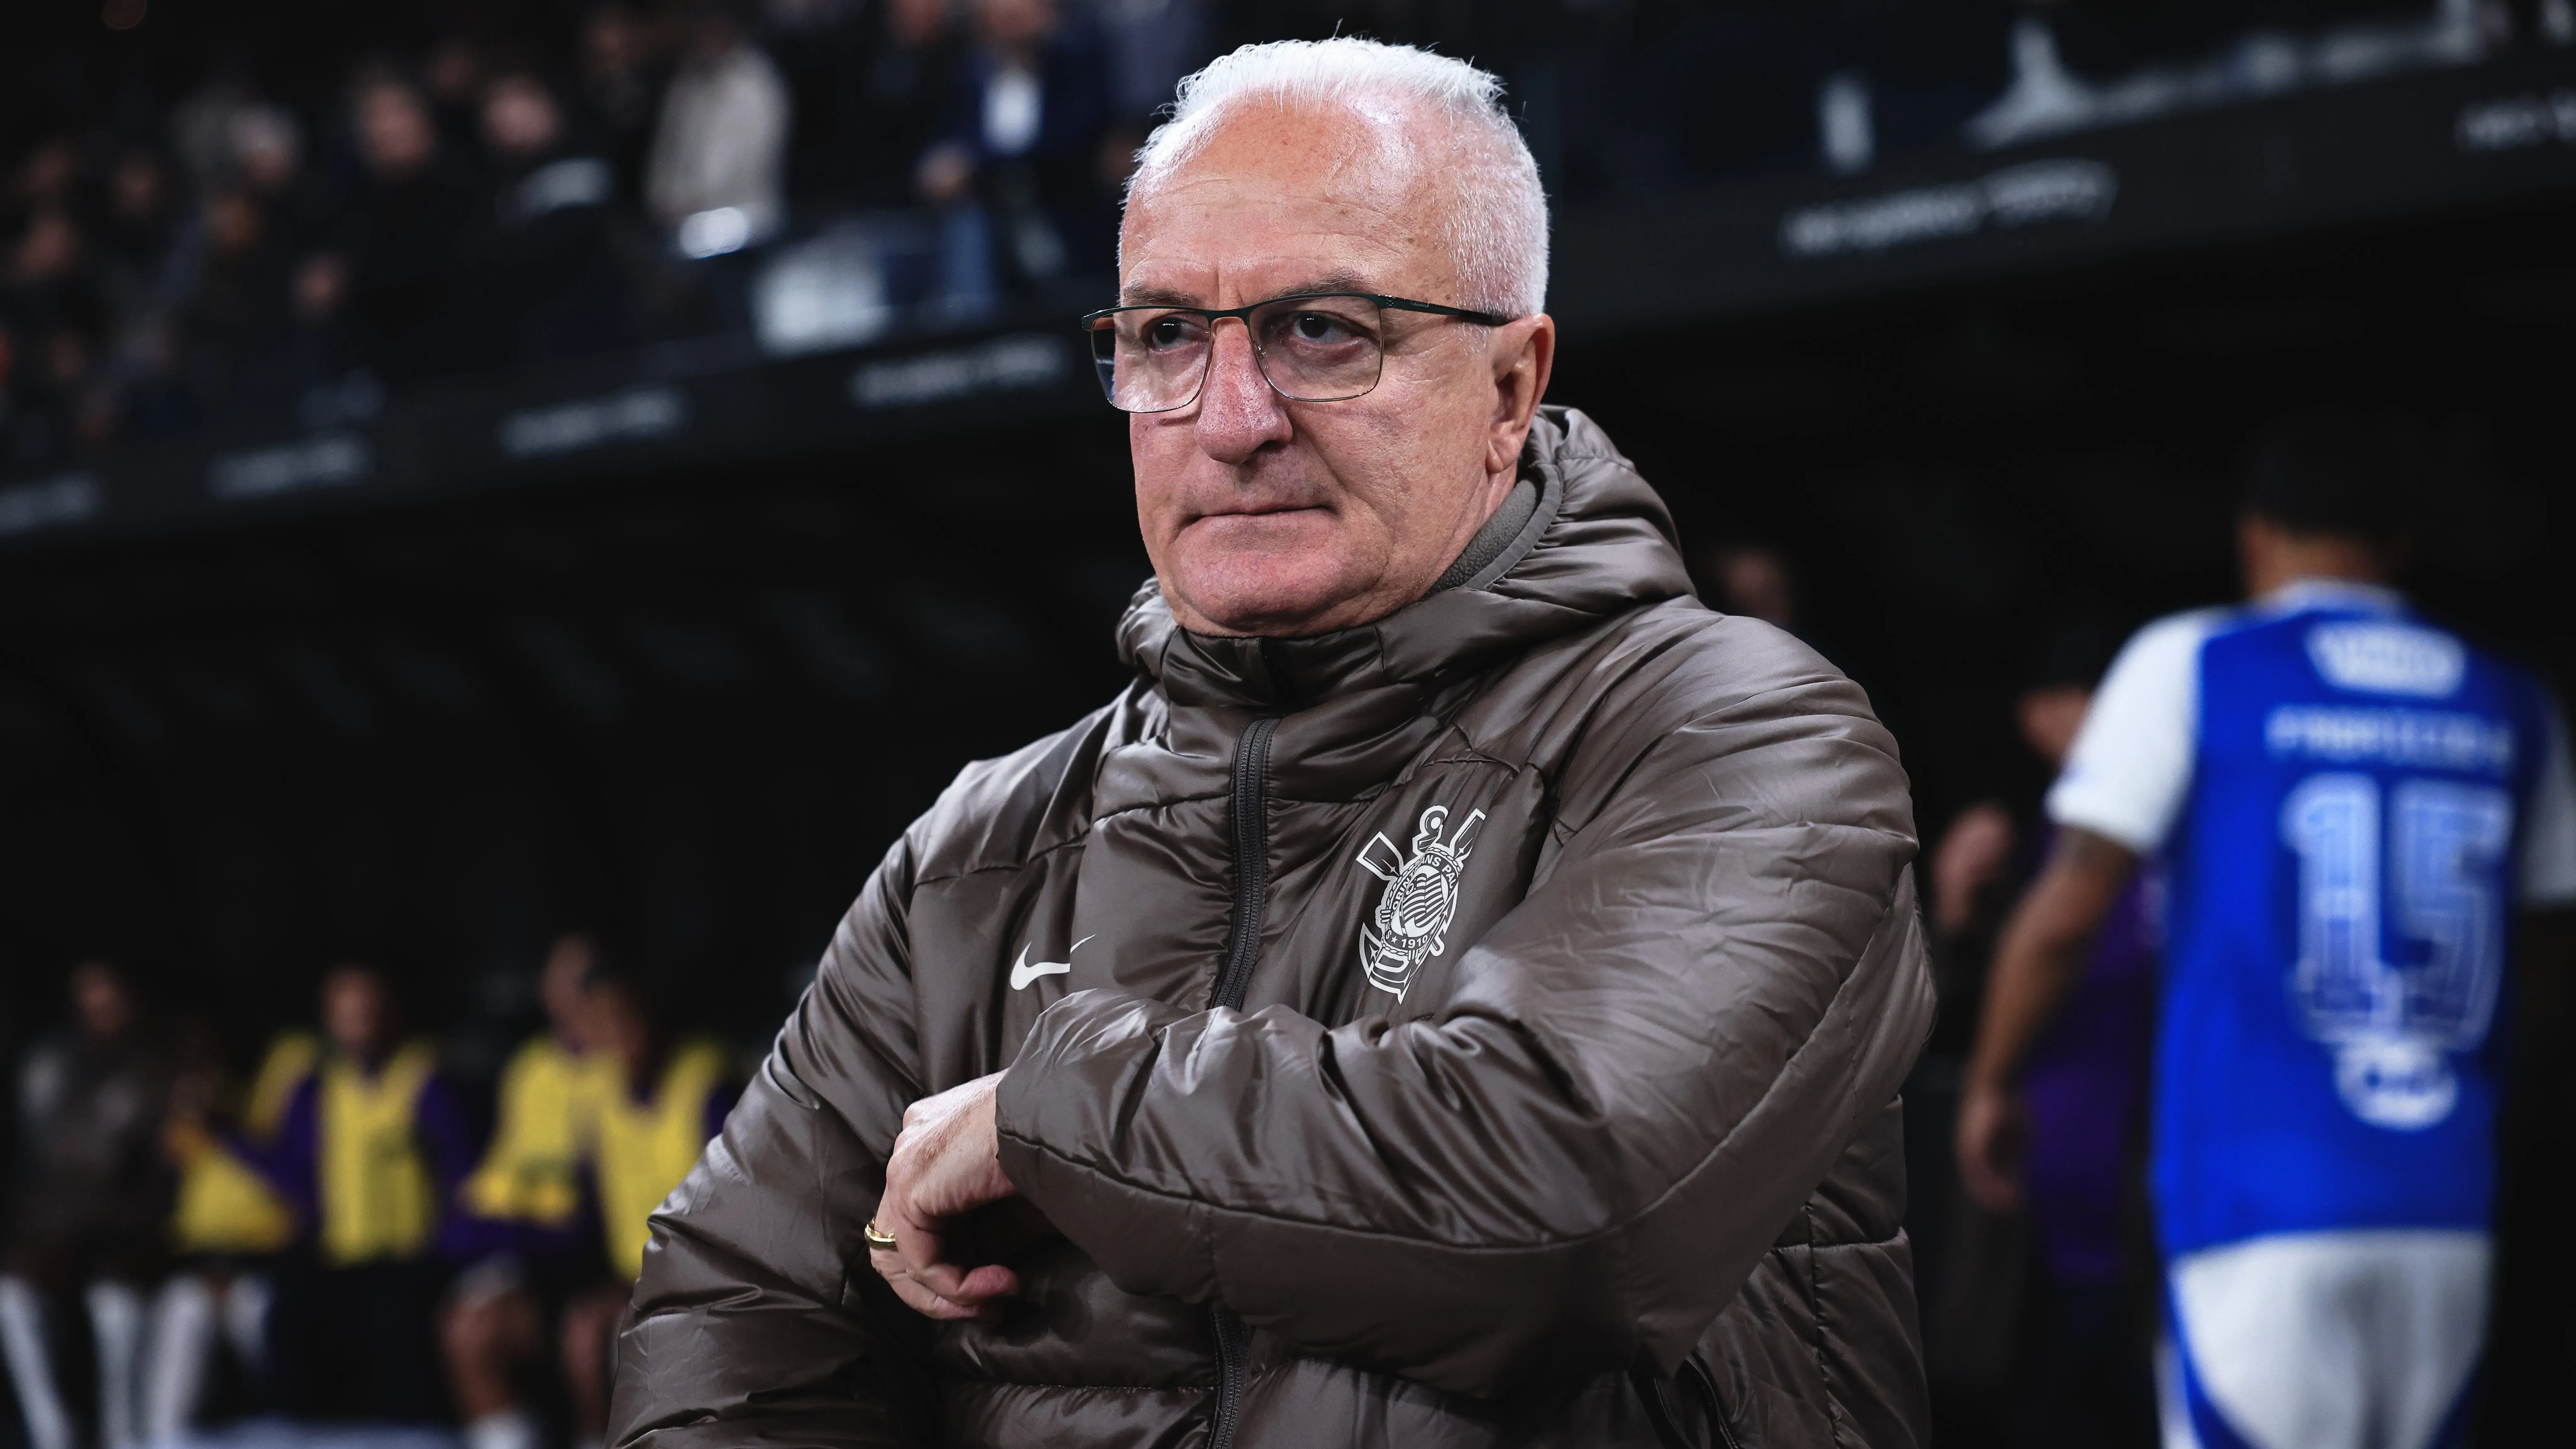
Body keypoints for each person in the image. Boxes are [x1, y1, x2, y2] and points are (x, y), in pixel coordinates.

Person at [613, 36, 1932, 1449]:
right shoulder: (977, 855)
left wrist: (1049, 1116)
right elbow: (728, 1328)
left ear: (1508, 388)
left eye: (1324, 331)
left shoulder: (1736, 735)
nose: (1231, 421)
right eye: (1166, 338)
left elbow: (1566, 1205)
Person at [1957, 409, 2576, 1449]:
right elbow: (2552, 964)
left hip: (2252, 1194)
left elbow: (2065, 911)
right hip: (2444, 1194)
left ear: (2255, 537)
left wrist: (1990, 1079)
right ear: (2404, 543)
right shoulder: (2510, 698)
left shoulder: (2196, 662)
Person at [244, 963, 479, 1422]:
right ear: (330, 1021)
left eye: (371, 1013)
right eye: (348, 1015)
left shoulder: (424, 1080)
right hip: (340, 1255)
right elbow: (295, 1171)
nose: (361, 1026)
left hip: (411, 1257)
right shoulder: (318, 1088)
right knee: (285, 1313)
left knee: (394, 1327)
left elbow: (459, 1174)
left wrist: (448, 1245)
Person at [558, 967, 736, 1449]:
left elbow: (739, 1215)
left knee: (646, 1344)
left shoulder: (707, 1086)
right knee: (584, 1333)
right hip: (633, 1279)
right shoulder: (595, 1095)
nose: (618, 1032)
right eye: (603, 1020)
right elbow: (590, 1211)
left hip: (711, 1280)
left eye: (628, 1016)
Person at [0, 961, 174, 1449]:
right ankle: (50, 1427)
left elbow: (165, 1172)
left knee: (115, 1305)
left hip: (129, 1233)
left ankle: (122, 1429)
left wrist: (131, 1225)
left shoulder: (158, 1067)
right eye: (89, 995)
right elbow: (37, 1162)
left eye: (111, 995)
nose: (101, 1007)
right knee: (11, 1298)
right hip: (59, 1228)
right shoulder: (50, 1066)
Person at [444, 935, 608, 1449]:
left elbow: (591, 1208)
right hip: (535, 1257)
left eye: (591, 981)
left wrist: (534, 1208)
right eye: (567, 981)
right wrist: (530, 1212)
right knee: (468, 1329)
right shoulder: (530, 1069)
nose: (578, 995)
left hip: (603, 1264)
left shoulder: (619, 1063)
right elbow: (486, 1190)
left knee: (588, 1343)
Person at [144, 1022, 314, 1442]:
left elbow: (298, 1185)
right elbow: (163, 1197)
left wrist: (229, 1130)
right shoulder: (191, 1112)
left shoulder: (287, 1085)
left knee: (255, 1313)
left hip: (273, 1260)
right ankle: (163, 1438)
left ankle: (284, 1428)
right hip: (201, 1260)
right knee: (183, 1310)